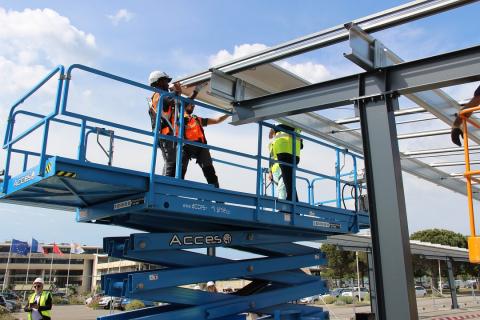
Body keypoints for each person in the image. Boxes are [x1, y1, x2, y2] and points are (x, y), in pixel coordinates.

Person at [181, 102, 229, 188]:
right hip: (186, 146)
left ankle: (216, 192)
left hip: (201, 147)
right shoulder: (179, 118)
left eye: (194, 105)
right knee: (180, 169)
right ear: (185, 105)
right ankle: (175, 189)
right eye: (191, 105)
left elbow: (217, 120)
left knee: (209, 170)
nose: (193, 106)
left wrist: (228, 114)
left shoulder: (197, 119)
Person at [148, 70, 183, 177]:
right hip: (163, 133)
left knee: (171, 160)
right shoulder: (159, 95)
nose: (167, 84)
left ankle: (166, 181)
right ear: (157, 82)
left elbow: (177, 104)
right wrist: (177, 92)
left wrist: (177, 93)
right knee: (170, 160)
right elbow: (171, 100)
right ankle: (165, 182)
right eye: (165, 81)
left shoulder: (161, 95)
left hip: (166, 133)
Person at [270, 124, 302, 202]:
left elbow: (270, 134)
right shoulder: (296, 125)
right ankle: (294, 202)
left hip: (284, 153)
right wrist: (270, 171)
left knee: (284, 185)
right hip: (292, 155)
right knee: (288, 181)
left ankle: (287, 204)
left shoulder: (280, 123)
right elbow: (271, 156)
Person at [268, 128, 286, 200]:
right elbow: (270, 158)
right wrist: (270, 172)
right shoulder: (271, 145)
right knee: (281, 188)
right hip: (275, 169)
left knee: (281, 188)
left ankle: (283, 208)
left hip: (283, 166)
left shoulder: (282, 140)